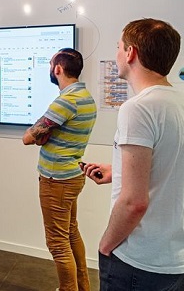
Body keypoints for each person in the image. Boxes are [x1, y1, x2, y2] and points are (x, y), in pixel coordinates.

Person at [82, 18, 184, 290]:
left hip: (138, 261)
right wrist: (118, 172)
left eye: (118, 47)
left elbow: (134, 203)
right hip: (174, 260)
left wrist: (106, 245)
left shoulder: (138, 108)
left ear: (131, 53)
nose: (116, 54)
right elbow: (172, 166)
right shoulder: (179, 101)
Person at [22, 48, 97, 290]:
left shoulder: (66, 101)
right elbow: (43, 134)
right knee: (71, 233)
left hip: (56, 179)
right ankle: (82, 287)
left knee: (57, 242)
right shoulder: (85, 96)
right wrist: (45, 135)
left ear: (58, 69)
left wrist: (42, 135)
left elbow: (28, 137)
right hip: (72, 176)